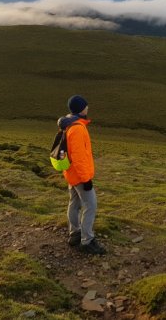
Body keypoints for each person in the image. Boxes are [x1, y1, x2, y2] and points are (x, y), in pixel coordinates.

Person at [57, 95, 106, 255]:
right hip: (79, 176)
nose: (88, 107)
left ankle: (75, 234)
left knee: (74, 203)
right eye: (86, 105)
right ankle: (87, 241)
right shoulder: (77, 128)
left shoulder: (68, 124)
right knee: (90, 206)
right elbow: (78, 157)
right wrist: (86, 179)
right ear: (80, 108)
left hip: (71, 173)